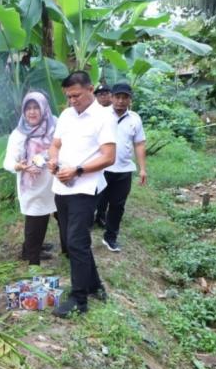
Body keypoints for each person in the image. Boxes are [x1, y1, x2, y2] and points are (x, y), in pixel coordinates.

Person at [47, 71, 117, 317]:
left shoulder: (103, 117)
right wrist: (53, 160)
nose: (72, 100)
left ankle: (80, 300)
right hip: (61, 186)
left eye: (76, 95)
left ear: (90, 89)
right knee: (72, 241)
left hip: (85, 189)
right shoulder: (66, 115)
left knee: (76, 241)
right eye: (68, 96)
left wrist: (78, 170)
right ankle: (95, 284)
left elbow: (109, 156)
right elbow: (55, 144)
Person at [3, 92, 57, 266]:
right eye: (28, 108)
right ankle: (33, 262)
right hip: (31, 185)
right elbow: (8, 162)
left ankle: (32, 248)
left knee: (47, 217)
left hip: (53, 181)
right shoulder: (19, 134)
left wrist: (43, 158)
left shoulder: (54, 126)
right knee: (35, 221)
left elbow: (60, 149)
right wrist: (19, 166)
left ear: (44, 109)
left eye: (36, 108)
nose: (32, 112)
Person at [94, 83, 148, 252]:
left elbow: (139, 144)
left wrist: (143, 169)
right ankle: (87, 227)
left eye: (125, 98)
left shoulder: (135, 119)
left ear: (130, 100)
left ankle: (110, 237)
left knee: (118, 205)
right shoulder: (100, 115)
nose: (120, 101)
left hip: (124, 170)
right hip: (102, 168)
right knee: (96, 201)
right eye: (117, 97)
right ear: (111, 98)